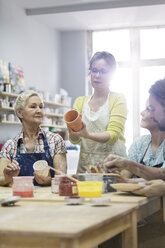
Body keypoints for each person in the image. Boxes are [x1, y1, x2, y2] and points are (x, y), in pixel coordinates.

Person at [68, 51, 127, 173]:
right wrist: (72, 132)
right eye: (94, 70)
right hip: (86, 167)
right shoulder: (80, 102)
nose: (97, 75)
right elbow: (75, 140)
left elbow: (113, 135)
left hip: (113, 166)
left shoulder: (118, 99)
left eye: (103, 71)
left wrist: (87, 135)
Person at [0, 90, 67, 186]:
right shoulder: (10, 146)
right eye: (33, 106)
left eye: (41, 107)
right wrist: (7, 178)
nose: (39, 110)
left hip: (48, 199)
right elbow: (1, 179)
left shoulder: (55, 140)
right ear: (20, 113)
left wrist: (49, 181)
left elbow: (63, 178)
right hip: (21, 198)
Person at [104, 79, 165, 181]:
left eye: (150, 109)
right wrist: (113, 173)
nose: (142, 113)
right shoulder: (140, 143)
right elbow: (125, 176)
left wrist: (129, 165)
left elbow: (162, 174)